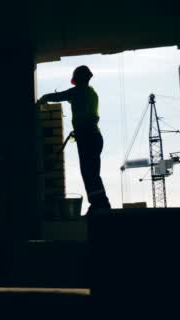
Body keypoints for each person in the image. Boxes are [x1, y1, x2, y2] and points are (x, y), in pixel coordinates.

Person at [37, 65, 112, 213]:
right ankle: (100, 203)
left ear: (77, 80)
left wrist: (43, 99)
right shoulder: (91, 93)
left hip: (87, 137)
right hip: (94, 136)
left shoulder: (77, 92)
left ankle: (100, 204)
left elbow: (59, 96)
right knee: (92, 173)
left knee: (89, 173)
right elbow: (81, 105)